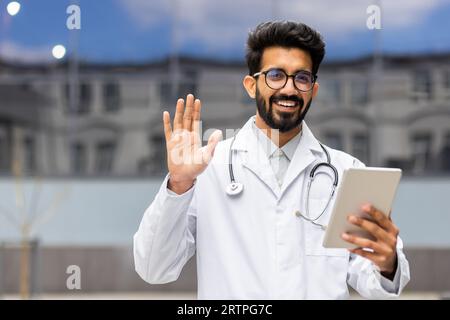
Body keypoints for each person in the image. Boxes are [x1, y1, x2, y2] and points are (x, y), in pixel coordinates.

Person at [133, 21, 410, 299]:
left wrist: (388, 265)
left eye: (302, 78)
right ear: (251, 86)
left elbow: (377, 286)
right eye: (276, 75)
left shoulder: (348, 171)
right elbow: (154, 269)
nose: (289, 89)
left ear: (313, 90)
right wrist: (179, 183)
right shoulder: (207, 169)